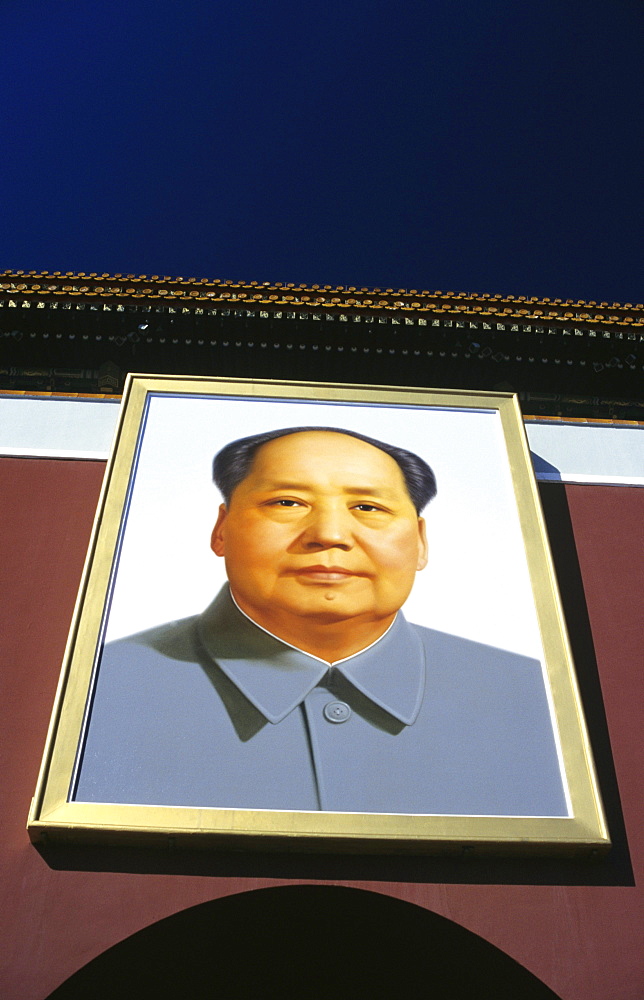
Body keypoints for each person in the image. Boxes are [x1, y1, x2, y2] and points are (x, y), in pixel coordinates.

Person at [74, 428, 568, 817]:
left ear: (420, 541)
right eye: (287, 502)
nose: (329, 534)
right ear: (221, 528)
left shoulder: (530, 697)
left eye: (368, 507)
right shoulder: (102, 686)